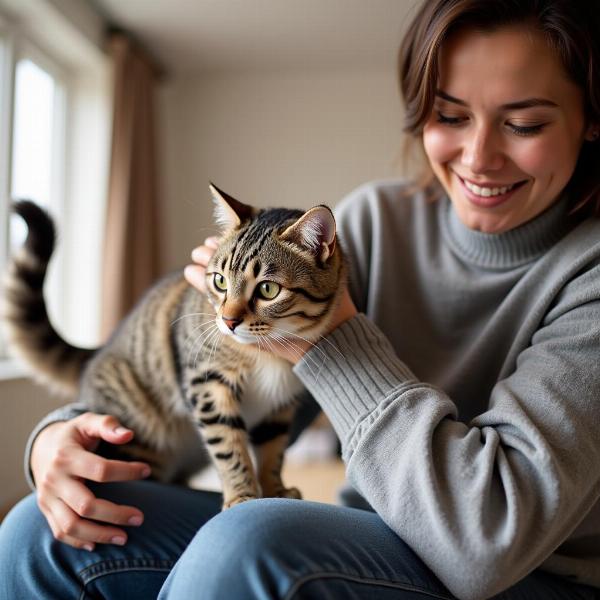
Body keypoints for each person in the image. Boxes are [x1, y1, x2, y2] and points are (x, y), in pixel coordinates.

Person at [2, 0, 600, 598]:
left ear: (591, 119)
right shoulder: (376, 219)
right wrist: (63, 437)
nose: (478, 158)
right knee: (39, 531)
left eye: (524, 124)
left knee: (248, 538)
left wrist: (336, 339)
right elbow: (258, 379)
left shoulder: (590, 270)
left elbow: (486, 544)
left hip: (530, 574)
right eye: (450, 115)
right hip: (382, 533)